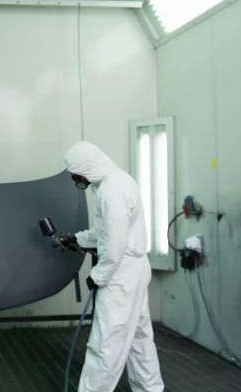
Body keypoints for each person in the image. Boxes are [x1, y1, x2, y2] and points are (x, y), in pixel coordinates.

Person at [63, 140, 165, 392]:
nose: (80, 181)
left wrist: (98, 275)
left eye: (79, 175)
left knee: (106, 342)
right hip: (136, 269)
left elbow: (115, 243)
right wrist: (78, 238)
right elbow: (107, 232)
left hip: (121, 275)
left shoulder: (111, 192)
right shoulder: (116, 181)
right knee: (139, 337)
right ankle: (151, 388)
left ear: (88, 167)